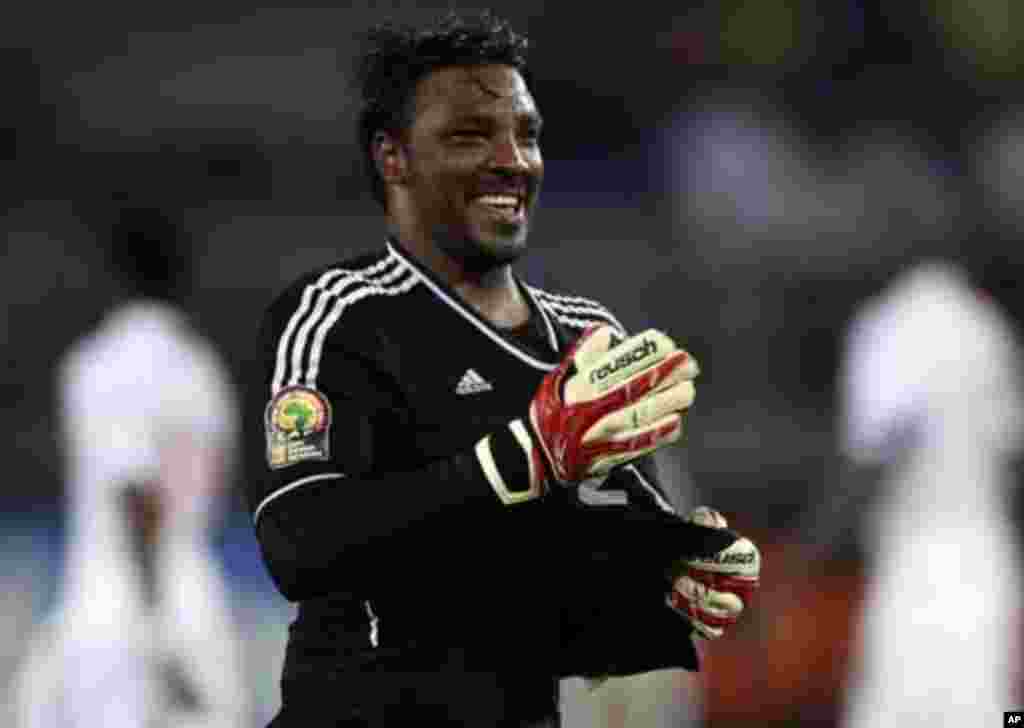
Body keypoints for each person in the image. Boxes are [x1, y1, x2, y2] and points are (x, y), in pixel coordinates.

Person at [250, 11, 761, 727]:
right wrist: (521, 458)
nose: (513, 160)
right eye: (469, 136)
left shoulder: (589, 343)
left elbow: (561, 618)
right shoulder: (338, 319)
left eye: (526, 134)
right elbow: (299, 544)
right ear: (392, 157)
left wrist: (668, 581)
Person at [10, 206, 250, 728]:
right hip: (200, 598)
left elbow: (135, 491)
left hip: (121, 609)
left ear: (113, 280)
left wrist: (155, 628)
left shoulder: (98, 365)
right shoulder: (205, 372)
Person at [834, 260, 1024, 727]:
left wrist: (812, 547)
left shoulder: (889, 327)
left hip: (916, 563)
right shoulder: (989, 328)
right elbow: (1013, 463)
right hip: (987, 561)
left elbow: (870, 455)